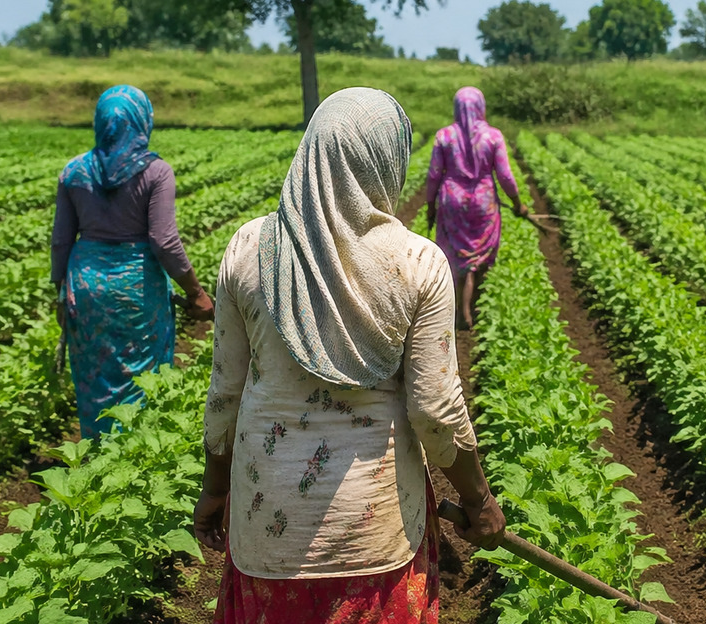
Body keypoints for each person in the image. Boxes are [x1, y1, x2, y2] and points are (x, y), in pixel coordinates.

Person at [194, 87, 506, 624]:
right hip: (372, 532)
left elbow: (226, 392)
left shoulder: (248, 250)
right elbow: (435, 412)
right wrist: (478, 500)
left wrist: (215, 488)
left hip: (265, 517)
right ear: (387, 161)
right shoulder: (417, 263)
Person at [51, 85, 214, 439]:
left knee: (95, 373)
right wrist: (197, 292)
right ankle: (136, 452)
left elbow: (62, 239)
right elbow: (164, 240)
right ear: (143, 122)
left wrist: (60, 293)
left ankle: (97, 447)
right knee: (142, 374)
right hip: (137, 289)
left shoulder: (74, 172)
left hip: (87, 285)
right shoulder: (155, 172)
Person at [425, 86, 528, 329]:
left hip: (453, 201)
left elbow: (433, 175)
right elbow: (505, 175)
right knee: (479, 255)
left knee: (460, 257)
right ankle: (475, 306)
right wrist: (517, 203)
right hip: (484, 202)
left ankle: (461, 311)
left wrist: (431, 205)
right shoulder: (493, 136)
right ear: (481, 107)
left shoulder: (445, 136)